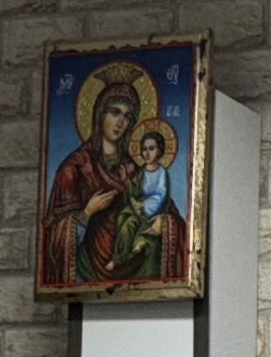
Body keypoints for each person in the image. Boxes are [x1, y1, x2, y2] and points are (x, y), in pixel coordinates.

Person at [42, 61, 190, 289]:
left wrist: (165, 223)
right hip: (87, 272)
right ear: (100, 114)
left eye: (128, 116)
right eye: (115, 112)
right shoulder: (75, 168)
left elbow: (172, 218)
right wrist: (87, 213)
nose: (121, 122)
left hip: (137, 272)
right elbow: (53, 239)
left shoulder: (135, 170)